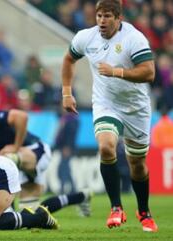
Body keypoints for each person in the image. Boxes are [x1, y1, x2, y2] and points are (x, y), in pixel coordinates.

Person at [61, 0, 158, 232]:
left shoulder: (134, 38)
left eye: (107, 17)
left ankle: (144, 211)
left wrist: (116, 72)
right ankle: (116, 207)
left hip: (136, 108)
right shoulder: (86, 37)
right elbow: (68, 59)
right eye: (99, 16)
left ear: (118, 18)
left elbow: (149, 72)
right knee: (106, 147)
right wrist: (66, 93)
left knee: (137, 165)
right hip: (106, 104)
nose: (102, 21)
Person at [0, 109, 92, 215]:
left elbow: (22, 117)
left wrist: (16, 147)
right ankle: (81, 196)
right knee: (30, 213)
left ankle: (9, 208)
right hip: (18, 166)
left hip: (36, 151)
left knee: (4, 159)